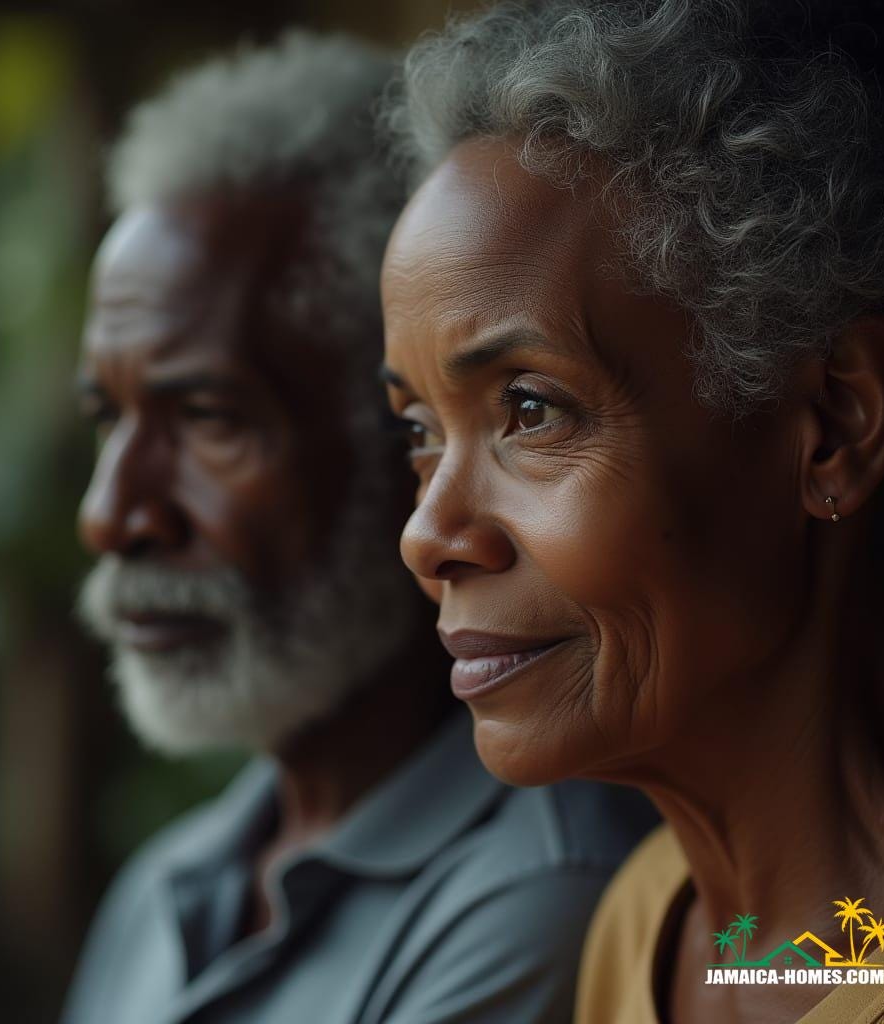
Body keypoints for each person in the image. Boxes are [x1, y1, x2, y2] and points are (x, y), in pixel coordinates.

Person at [63, 31, 657, 1024]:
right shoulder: (165, 889)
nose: (114, 514)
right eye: (108, 420)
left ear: (407, 439)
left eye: (210, 417)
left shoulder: (539, 899)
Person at [379, 1, 884, 1022]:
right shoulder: (664, 931)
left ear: (835, 423)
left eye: (529, 410)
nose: (427, 534)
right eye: (417, 430)